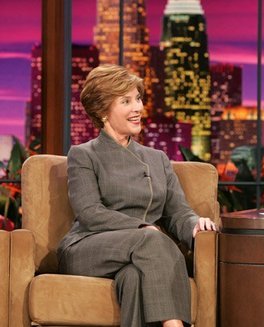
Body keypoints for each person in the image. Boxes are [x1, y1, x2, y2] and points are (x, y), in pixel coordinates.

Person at [57, 64, 217, 327]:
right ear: (102, 112)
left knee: (133, 279)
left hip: (143, 252)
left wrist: (194, 224)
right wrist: (143, 227)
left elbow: (177, 211)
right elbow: (90, 213)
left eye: (138, 99)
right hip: (88, 248)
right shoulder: (84, 154)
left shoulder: (157, 159)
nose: (138, 108)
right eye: (126, 101)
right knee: (151, 241)